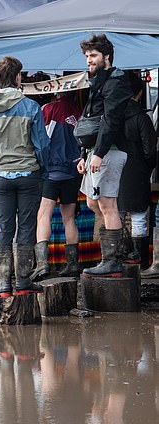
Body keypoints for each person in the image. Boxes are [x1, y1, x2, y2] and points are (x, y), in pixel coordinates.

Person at [0, 56, 50, 297]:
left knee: (5, 229)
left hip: (0, 177)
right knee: (26, 228)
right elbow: (42, 146)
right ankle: (23, 281)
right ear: (18, 77)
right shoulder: (31, 107)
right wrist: (42, 170)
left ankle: (4, 283)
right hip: (29, 175)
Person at [76, 34, 132, 277]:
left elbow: (110, 120)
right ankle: (122, 244)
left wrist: (97, 153)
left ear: (106, 56)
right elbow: (91, 120)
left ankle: (113, 259)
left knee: (107, 204)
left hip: (110, 151)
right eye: (87, 56)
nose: (89, 60)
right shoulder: (98, 81)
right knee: (92, 202)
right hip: (95, 152)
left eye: (93, 55)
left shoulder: (116, 81)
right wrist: (85, 154)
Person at [31, 92, 83, 280]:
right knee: (69, 217)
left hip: (51, 171)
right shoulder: (79, 112)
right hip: (73, 171)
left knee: (44, 214)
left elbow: (41, 140)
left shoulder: (48, 109)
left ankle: (43, 264)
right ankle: (72, 264)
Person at [118, 74, 157, 268]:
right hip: (138, 174)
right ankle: (139, 263)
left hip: (114, 175)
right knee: (139, 219)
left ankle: (116, 260)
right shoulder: (142, 118)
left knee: (114, 218)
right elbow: (150, 151)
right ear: (140, 92)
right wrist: (146, 167)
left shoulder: (111, 117)